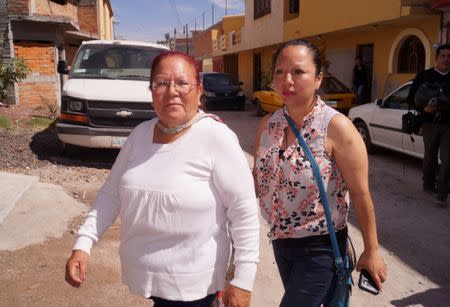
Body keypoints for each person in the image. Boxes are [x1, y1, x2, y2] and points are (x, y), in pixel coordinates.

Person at [65, 51, 260, 307]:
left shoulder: (216, 137)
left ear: (199, 90)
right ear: (151, 90)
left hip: (194, 288)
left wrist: (243, 280)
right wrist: (83, 244)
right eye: (161, 83)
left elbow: (243, 212)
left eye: (182, 82)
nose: (171, 91)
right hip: (149, 279)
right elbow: (111, 194)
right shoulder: (139, 135)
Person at [253, 39, 387, 306]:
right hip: (280, 242)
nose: (287, 80)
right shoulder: (268, 125)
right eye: (279, 72)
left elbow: (361, 194)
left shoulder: (337, 127)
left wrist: (371, 250)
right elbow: (259, 181)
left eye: (298, 72)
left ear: (318, 79)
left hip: (320, 249)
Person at [407, 44, 450, 206]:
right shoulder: (425, 76)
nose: (446, 59)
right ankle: (429, 185)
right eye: (443, 56)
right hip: (430, 124)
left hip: (448, 125)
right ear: (436, 58)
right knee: (430, 156)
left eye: (449, 56)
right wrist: (424, 108)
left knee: (447, 159)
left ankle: (442, 191)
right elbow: (411, 98)